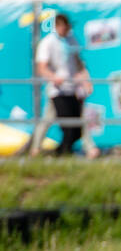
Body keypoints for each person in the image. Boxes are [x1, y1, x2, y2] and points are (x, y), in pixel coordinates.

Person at [32, 14, 96, 157]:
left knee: (76, 124)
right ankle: (38, 150)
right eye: (64, 27)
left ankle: (68, 151)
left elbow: (78, 63)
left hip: (72, 90)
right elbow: (41, 67)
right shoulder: (48, 42)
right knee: (58, 123)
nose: (66, 29)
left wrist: (86, 81)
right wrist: (54, 77)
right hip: (57, 91)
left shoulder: (71, 40)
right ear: (57, 26)